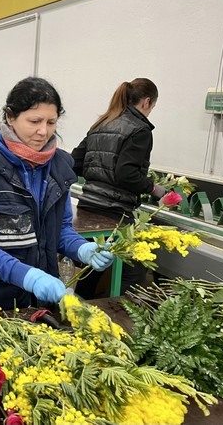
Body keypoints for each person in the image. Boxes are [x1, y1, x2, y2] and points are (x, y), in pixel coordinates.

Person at [0, 77, 115, 311]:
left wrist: (83, 249)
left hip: (37, 302)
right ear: (10, 117)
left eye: (51, 122)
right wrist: (29, 277)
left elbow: (60, 230)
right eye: (34, 121)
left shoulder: (59, 166)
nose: (43, 131)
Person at [71, 77, 165, 298]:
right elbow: (126, 174)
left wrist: (98, 176)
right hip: (114, 213)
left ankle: (80, 310)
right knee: (133, 273)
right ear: (146, 102)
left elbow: (75, 162)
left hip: (87, 209)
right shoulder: (140, 130)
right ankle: (117, 314)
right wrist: (153, 188)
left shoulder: (102, 123)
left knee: (91, 268)